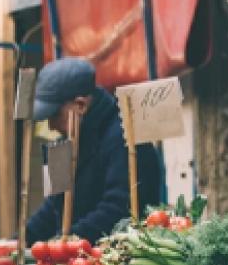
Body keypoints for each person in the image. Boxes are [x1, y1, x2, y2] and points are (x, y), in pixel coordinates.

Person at [25, 58, 163, 242]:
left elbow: (118, 210)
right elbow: (53, 206)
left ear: (80, 105)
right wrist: (22, 239)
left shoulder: (125, 138)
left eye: (55, 115)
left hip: (114, 258)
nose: (51, 126)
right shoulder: (61, 142)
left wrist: (65, 241)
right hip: (71, 258)